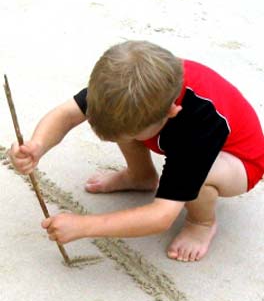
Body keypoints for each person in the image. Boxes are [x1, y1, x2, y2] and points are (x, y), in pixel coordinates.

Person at [9, 40, 264, 262]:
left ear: (170, 112)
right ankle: (140, 176)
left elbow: (161, 216)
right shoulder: (125, 86)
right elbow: (65, 115)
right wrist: (37, 146)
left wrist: (85, 226)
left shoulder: (199, 125)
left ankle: (202, 222)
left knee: (201, 177)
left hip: (240, 161)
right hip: (170, 134)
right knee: (123, 124)